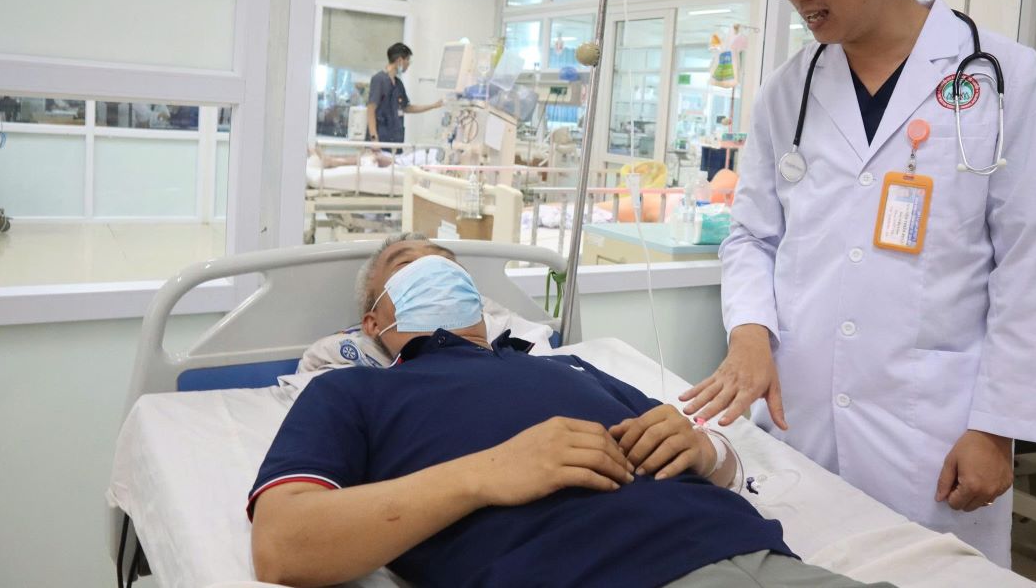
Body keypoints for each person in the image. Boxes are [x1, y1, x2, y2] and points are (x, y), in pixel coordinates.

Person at [681, 0, 1036, 567]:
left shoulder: (1000, 77)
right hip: (798, 413)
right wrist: (749, 332)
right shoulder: (787, 91)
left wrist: (997, 427)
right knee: (792, 567)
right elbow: (751, 237)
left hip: (930, 429)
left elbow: (1030, 262)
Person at [248, 234, 895, 588]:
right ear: (372, 320)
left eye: (448, 268)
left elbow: (723, 462)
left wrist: (705, 449)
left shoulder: (565, 366)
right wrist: (488, 470)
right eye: (406, 269)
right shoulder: (351, 391)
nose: (432, 268)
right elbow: (283, 543)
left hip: (758, 557)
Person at [364, 42, 442, 145]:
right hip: (379, 139)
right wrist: (374, 138)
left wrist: (433, 106)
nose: (408, 64)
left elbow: (407, 108)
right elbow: (371, 110)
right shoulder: (379, 80)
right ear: (400, 60)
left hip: (395, 139)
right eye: (408, 60)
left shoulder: (398, 84)